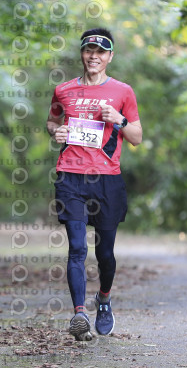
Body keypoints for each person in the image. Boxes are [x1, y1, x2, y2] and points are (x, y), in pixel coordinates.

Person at [46, 27, 142, 340]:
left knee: (105, 255)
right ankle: (79, 314)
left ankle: (103, 299)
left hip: (107, 180)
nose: (94, 56)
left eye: (101, 52)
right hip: (70, 176)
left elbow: (137, 137)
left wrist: (119, 119)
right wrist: (57, 131)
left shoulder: (123, 92)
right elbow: (52, 120)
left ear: (110, 57)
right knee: (77, 247)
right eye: (89, 50)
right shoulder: (63, 90)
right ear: (82, 53)